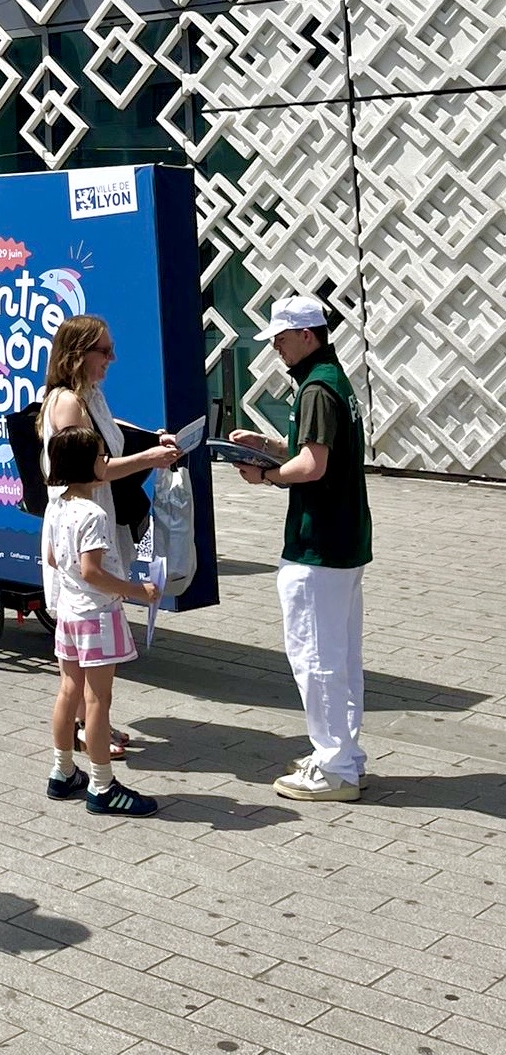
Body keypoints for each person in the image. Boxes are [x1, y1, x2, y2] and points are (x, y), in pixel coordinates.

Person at [231, 295, 373, 803]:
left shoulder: (316, 387)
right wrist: (269, 446)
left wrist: (265, 474)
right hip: (344, 539)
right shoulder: (332, 380)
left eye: (281, 339)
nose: (275, 348)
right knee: (340, 656)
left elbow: (311, 466)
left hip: (318, 543)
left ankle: (335, 767)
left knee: (316, 658)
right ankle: (345, 757)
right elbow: (315, 453)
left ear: (307, 335)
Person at [37, 315, 179, 757]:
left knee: (80, 660)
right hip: (79, 519)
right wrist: (151, 459)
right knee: (86, 650)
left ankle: (86, 732)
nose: (112, 359)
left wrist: (150, 439)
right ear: (78, 354)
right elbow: (91, 469)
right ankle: (86, 736)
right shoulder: (67, 404)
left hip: (89, 517)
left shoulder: (88, 396)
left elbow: (111, 435)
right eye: (104, 350)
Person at [43, 427, 161, 816]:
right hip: (97, 614)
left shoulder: (56, 505)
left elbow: (54, 559)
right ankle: (102, 784)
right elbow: (93, 571)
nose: (104, 463)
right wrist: (136, 590)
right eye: (99, 457)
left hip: (69, 613)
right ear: (85, 465)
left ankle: (62, 772)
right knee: (98, 701)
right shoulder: (93, 514)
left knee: (68, 692)